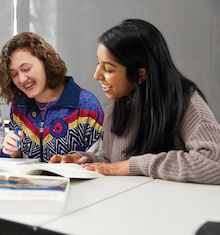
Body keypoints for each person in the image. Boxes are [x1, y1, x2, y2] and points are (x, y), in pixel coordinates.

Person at [50, 19, 220, 184]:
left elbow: (213, 164)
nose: (97, 75)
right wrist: (81, 160)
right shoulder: (117, 105)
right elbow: (112, 161)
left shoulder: (185, 103)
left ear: (141, 73)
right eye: (98, 64)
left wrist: (134, 165)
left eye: (108, 69)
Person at [0, 32, 104, 162]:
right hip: (28, 182)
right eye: (14, 75)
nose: (22, 79)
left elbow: (102, 159)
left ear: (45, 62)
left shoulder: (86, 105)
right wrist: (13, 152)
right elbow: (13, 159)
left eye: (27, 69)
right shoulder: (19, 107)